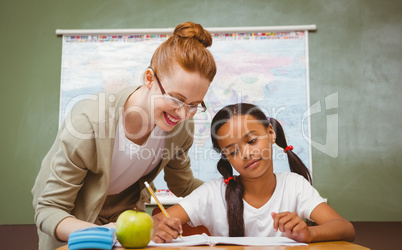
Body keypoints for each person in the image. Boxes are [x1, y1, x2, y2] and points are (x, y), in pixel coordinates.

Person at [31, 21, 217, 249]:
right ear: (149, 79)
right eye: (176, 99)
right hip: (73, 220)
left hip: (125, 219)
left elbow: (183, 185)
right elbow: (49, 209)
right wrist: (111, 231)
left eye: (193, 105)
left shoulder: (180, 128)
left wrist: (234, 191)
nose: (182, 113)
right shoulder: (89, 123)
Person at [152, 103, 355, 243]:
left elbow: (345, 228)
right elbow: (157, 221)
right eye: (233, 151)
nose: (247, 154)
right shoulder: (213, 193)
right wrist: (159, 228)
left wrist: (307, 233)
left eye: (251, 141)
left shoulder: (294, 185)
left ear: (270, 133)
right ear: (226, 157)